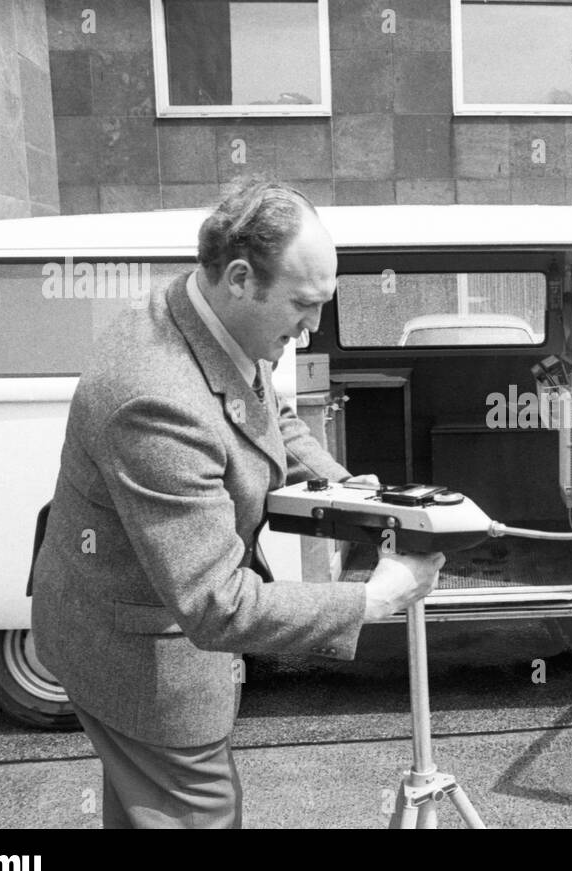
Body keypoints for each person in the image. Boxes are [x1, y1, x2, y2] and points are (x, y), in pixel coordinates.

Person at [31, 181, 444, 828]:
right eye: (304, 307)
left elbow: (269, 412)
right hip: (139, 653)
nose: (310, 332)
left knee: (146, 809)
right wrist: (377, 598)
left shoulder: (210, 318)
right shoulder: (156, 398)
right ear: (241, 277)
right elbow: (215, 602)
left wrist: (353, 494)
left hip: (122, 613)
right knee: (200, 811)